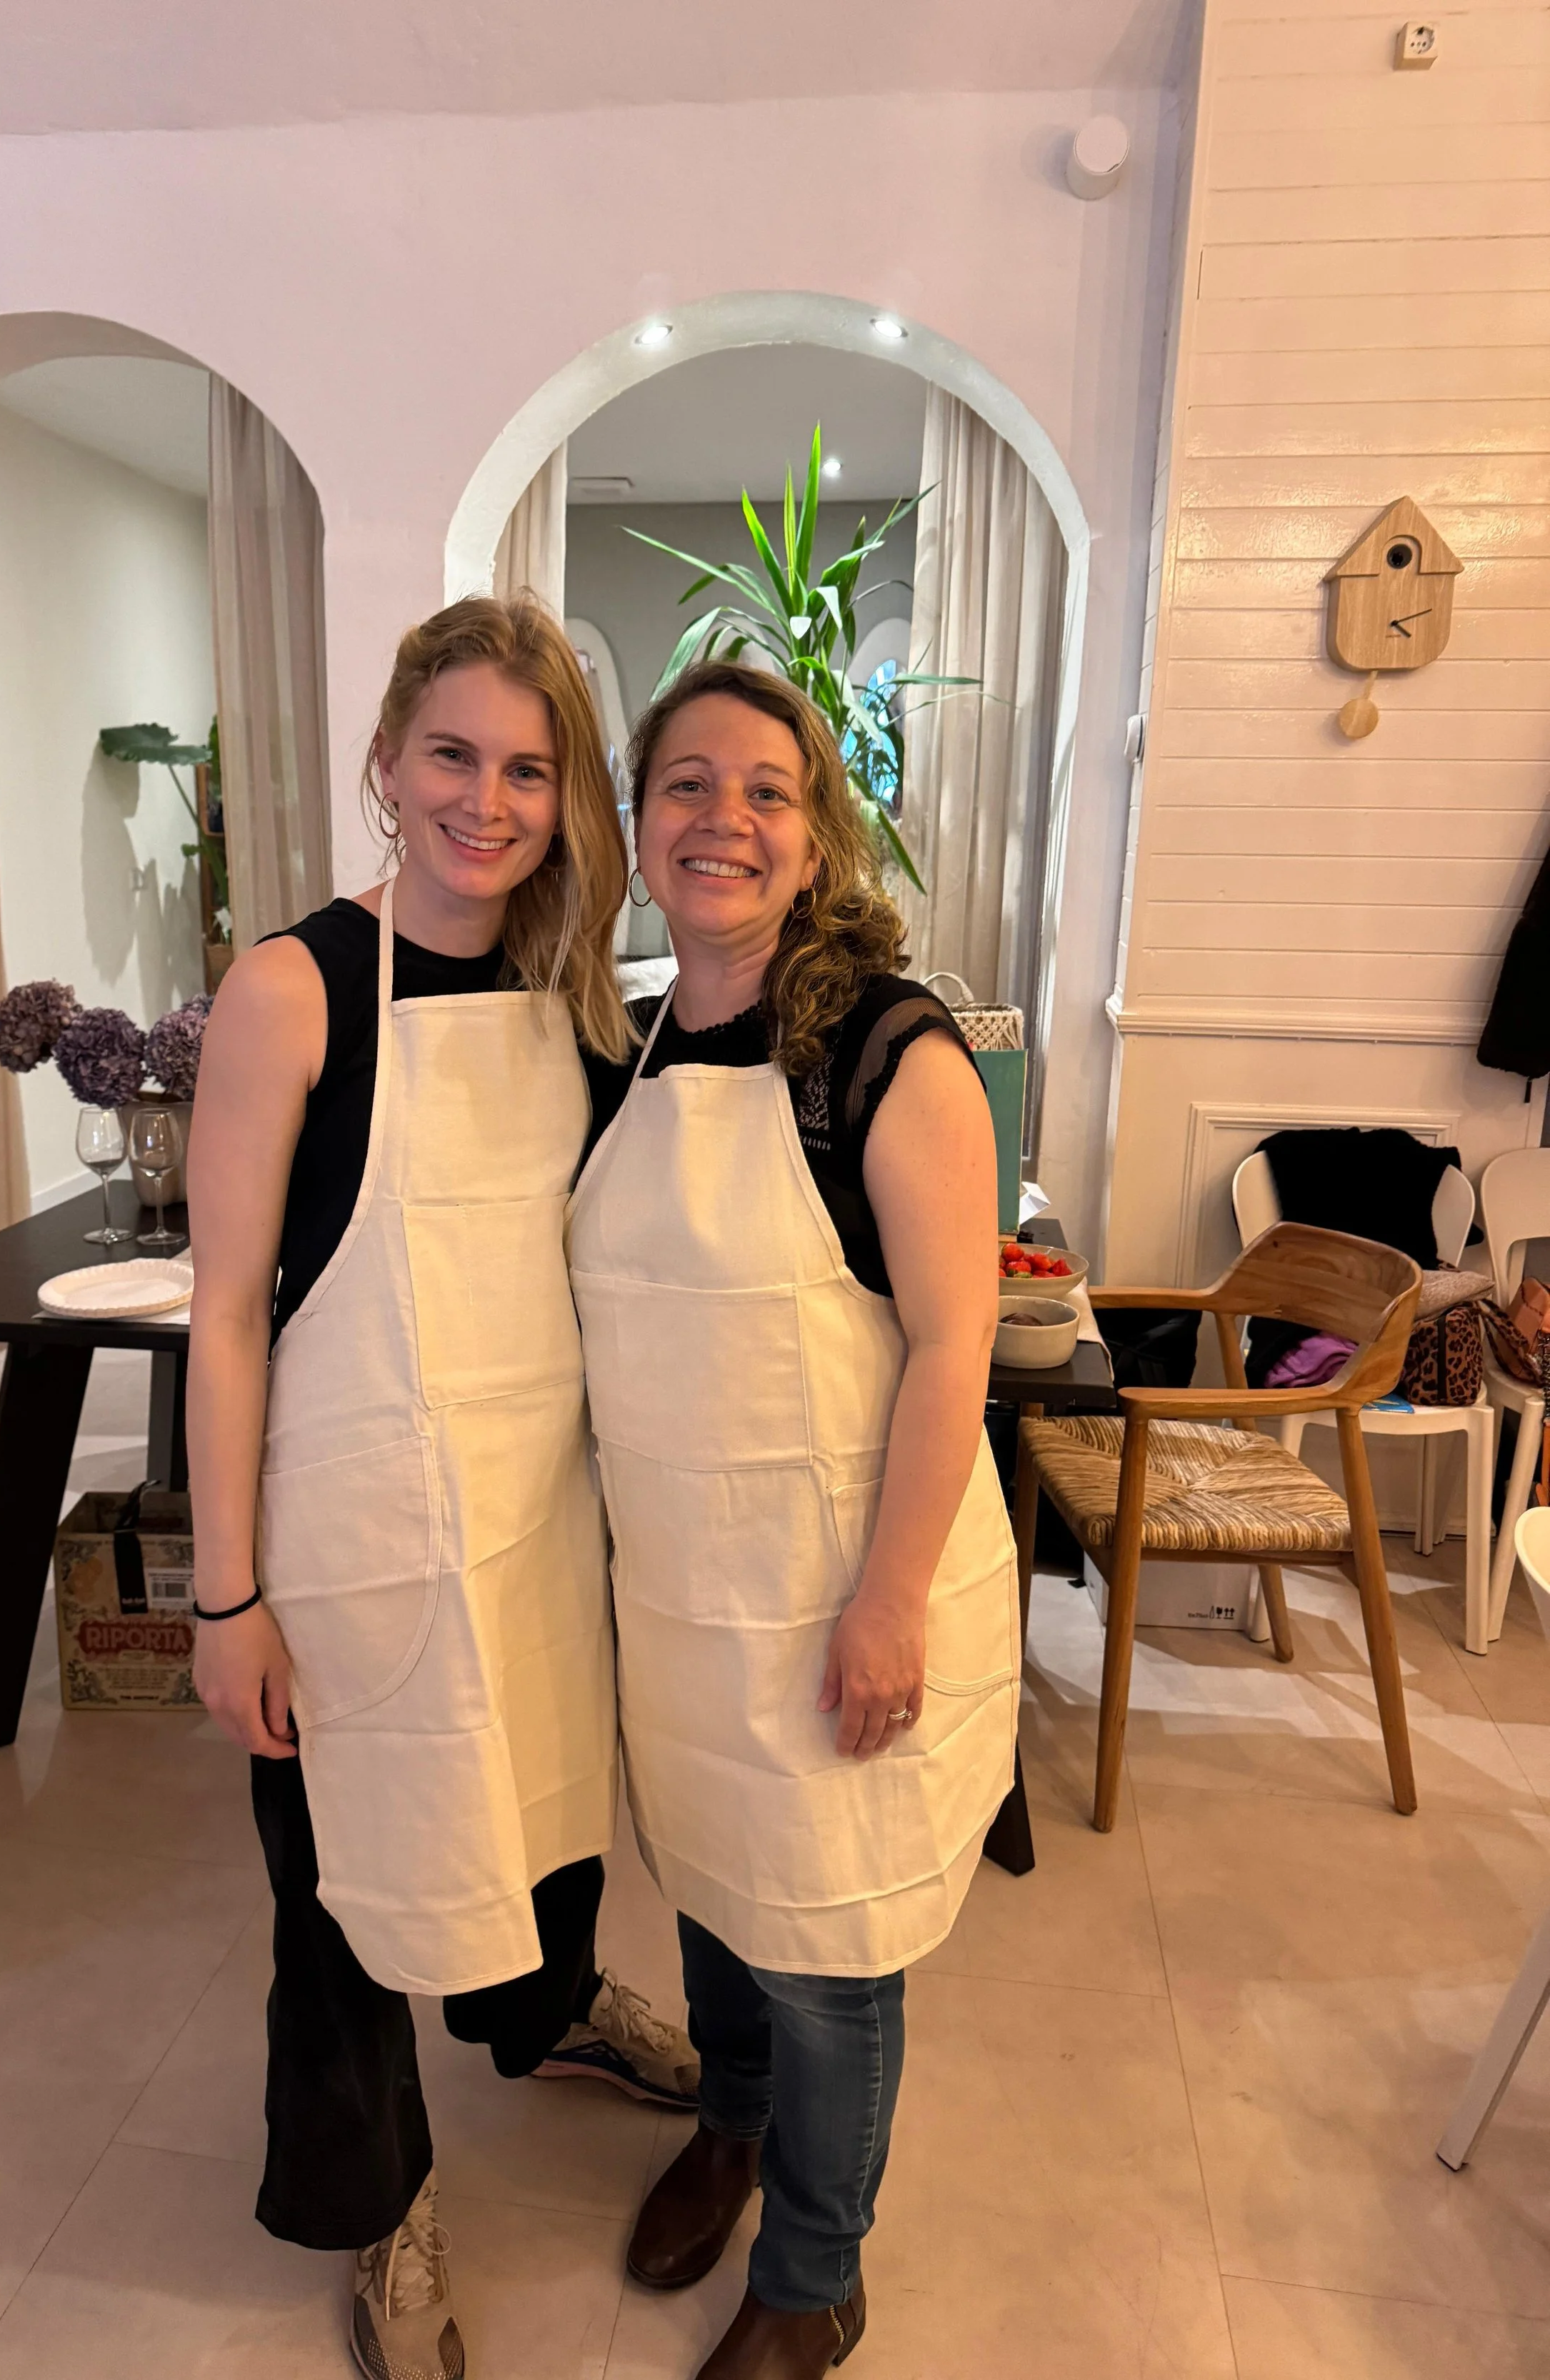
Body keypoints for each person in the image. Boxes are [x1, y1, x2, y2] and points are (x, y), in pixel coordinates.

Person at [187, 594, 699, 2380]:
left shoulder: (571, 1001)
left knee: (538, 1814)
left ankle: (551, 2017)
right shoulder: (292, 986)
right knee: (342, 1898)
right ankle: (382, 2209)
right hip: (343, 1543)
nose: (487, 800)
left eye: (530, 770)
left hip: (530, 1521)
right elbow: (231, 1312)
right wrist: (224, 1594)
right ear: (388, 762)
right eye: (454, 756)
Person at [570, 661, 1019, 2380]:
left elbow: (949, 1351)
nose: (723, 819)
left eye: (765, 788)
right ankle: (730, 2126)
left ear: (817, 830)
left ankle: (816, 2271)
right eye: (686, 784)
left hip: (848, 1579)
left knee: (828, 1946)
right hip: (690, 1593)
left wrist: (890, 1597)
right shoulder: (628, 1044)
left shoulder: (888, 1055)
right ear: (637, 826)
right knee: (710, 1884)